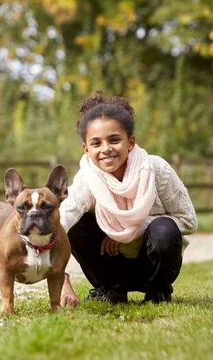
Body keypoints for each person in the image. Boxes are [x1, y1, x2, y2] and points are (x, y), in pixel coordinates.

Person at [59, 92, 197, 304]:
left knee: (164, 227)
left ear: (130, 142)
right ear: (86, 149)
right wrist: (62, 280)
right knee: (77, 222)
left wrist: (128, 231)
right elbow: (58, 225)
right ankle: (110, 290)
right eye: (96, 143)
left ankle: (158, 292)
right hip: (111, 264)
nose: (106, 149)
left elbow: (188, 220)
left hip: (153, 264)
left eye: (114, 140)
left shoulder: (156, 169)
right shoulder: (86, 180)